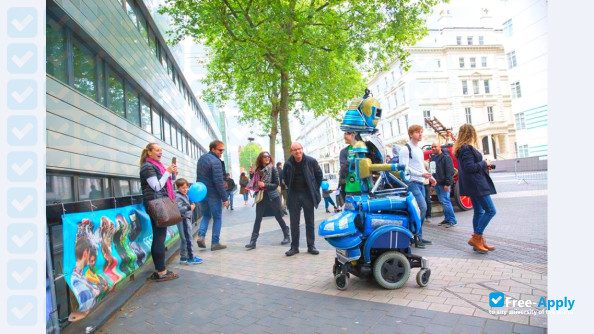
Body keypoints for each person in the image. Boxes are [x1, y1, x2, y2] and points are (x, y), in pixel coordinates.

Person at [453, 124, 497, 254]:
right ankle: (477, 237)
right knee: (490, 211)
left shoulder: (461, 148)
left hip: (471, 184)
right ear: (471, 134)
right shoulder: (466, 148)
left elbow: (469, 167)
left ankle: (479, 241)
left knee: (478, 212)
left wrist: (484, 166)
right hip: (477, 184)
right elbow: (470, 167)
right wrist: (485, 163)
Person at [139, 143, 179, 281]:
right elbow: (156, 186)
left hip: (159, 203)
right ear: (149, 152)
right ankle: (161, 271)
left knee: (159, 237)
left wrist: (171, 174)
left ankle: (161, 269)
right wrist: (167, 172)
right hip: (156, 205)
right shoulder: (147, 167)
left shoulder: (157, 166)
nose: (160, 152)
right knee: (159, 238)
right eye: (157, 150)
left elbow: (165, 183)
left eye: (161, 150)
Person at [283, 142, 323, 256]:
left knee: (309, 221)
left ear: (302, 149)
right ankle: (294, 247)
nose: (297, 151)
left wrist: (314, 189)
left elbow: (319, 176)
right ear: (291, 152)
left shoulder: (311, 161)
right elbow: (285, 178)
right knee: (294, 223)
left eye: (299, 149)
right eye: (294, 150)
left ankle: (311, 246)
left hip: (307, 195)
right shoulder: (288, 164)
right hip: (294, 195)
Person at [399, 125, 436, 249]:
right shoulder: (405, 149)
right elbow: (404, 168)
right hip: (412, 182)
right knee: (422, 208)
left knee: (420, 210)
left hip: (420, 182)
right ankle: (414, 235)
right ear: (411, 134)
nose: (420, 134)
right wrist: (421, 174)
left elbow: (420, 166)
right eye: (417, 132)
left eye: (421, 132)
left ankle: (418, 236)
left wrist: (430, 177)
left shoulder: (419, 149)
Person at [244, 152, 291, 249]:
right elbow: (254, 182)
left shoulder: (272, 169)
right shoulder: (258, 170)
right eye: (264, 157)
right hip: (261, 197)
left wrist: (265, 185)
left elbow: (276, 184)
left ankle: (286, 235)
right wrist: (251, 174)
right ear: (260, 158)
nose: (267, 158)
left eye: (268, 156)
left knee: (278, 216)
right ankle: (253, 242)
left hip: (272, 197)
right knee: (258, 218)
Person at [196, 140, 229, 251]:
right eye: (220, 150)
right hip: (213, 194)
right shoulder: (216, 161)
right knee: (217, 217)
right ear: (213, 149)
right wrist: (225, 198)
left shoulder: (201, 159)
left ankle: (201, 236)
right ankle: (215, 243)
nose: (221, 152)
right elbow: (218, 181)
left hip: (202, 193)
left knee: (206, 215)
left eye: (222, 150)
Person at [175, 178, 203, 265]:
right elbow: (178, 209)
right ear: (178, 187)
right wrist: (189, 208)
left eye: (186, 187)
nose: (185, 189)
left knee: (184, 239)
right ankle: (190, 257)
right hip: (183, 219)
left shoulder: (185, 195)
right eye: (183, 188)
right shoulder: (178, 196)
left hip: (186, 218)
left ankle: (183, 257)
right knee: (188, 239)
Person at [430, 142, 458, 228]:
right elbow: (432, 171)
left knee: (445, 201)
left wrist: (447, 184)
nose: (434, 148)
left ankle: (452, 220)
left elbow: (450, 172)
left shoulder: (446, 157)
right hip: (436, 183)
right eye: (432, 147)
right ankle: (447, 219)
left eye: (435, 146)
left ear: (440, 147)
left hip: (443, 184)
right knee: (443, 201)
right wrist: (431, 184)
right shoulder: (433, 158)